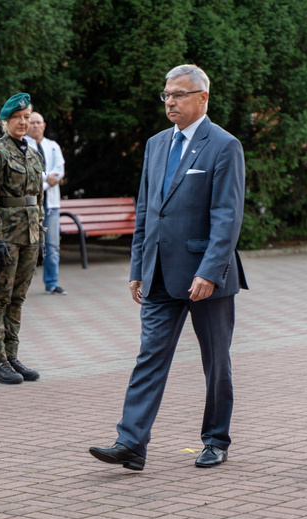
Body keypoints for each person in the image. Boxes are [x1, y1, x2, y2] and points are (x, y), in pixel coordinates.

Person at [89, 64, 248, 471]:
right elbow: (147, 211)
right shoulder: (156, 144)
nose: (170, 101)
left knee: (216, 362)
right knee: (149, 356)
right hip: (159, 272)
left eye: (179, 94)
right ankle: (131, 443)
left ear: (202, 98)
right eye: (166, 95)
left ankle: (215, 439)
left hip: (206, 277)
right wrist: (137, 267)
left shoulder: (224, 145)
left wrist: (210, 271)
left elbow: (227, 216)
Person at [0, 93, 45, 385]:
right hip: (5, 237)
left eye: (27, 117)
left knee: (17, 299)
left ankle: (11, 354)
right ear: (5, 121)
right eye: (17, 117)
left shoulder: (33, 153)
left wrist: (40, 237)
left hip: (28, 236)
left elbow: (37, 200)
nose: (23, 122)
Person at [24, 112, 66, 295]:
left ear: (44, 125)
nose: (35, 126)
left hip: (51, 205)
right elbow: (27, 172)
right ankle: (21, 284)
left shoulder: (53, 145)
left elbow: (59, 170)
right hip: (30, 204)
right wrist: (45, 180)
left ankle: (52, 283)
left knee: (52, 245)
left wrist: (45, 182)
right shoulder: (22, 145)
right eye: (31, 122)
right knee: (27, 245)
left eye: (38, 123)